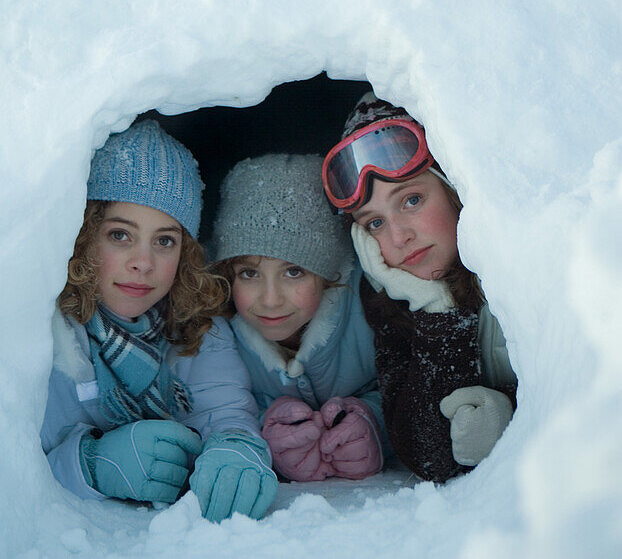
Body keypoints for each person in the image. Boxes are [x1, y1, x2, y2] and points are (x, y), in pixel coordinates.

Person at [41, 119, 277, 522]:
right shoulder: (47, 334)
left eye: (165, 241)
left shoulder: (198, 328)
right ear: (84, 236)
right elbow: (12, 457)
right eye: (120, 235)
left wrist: (237, 447)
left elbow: (226, 412)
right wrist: (88, 464)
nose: (143, 263)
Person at [322, 92, 517, 483]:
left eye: (411, 199)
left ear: (454, 190)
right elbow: (426, 455)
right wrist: (436, 310)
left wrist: (515, 417)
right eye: (374, 223)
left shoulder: (525, 272)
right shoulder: (391, 300)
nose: (398, 236)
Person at [210, 153, 384, 483]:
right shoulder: (219, 338)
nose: (271, 299)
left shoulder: (369, 310)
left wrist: (374, 424)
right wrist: (267, 432)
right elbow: (212, 410)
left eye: (294, 271)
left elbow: (405, 387)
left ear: (329, 274)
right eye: (249, 273)